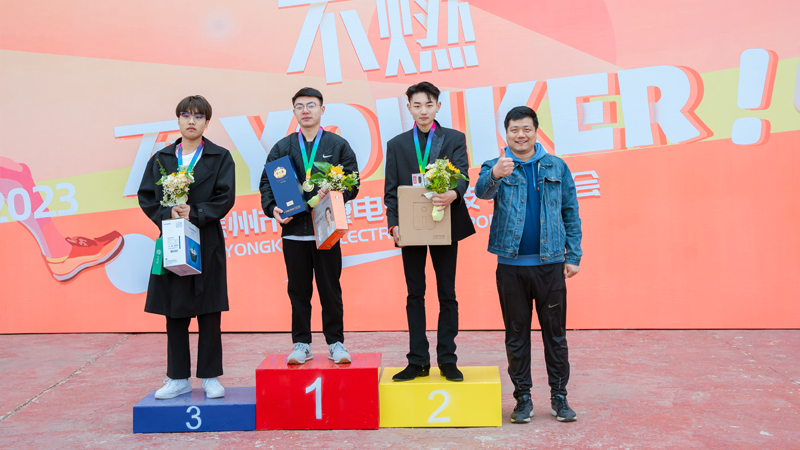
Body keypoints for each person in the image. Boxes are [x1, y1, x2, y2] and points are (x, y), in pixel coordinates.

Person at [475, 106, 582, 423]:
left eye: (526, 129)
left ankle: (559, 397)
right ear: (506, 133)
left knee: (555, 335)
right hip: (511, 266)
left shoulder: (556, 166)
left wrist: (573, 255)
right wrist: (496, 174)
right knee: (516, 335)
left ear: (536, 131)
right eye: (514, 130)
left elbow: (570, 212)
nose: (520, 135)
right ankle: (523, 399)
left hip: (551, 264)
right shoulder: (496, 165)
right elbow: (482, 192)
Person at [138, 95, 236, 400]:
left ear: (207, 122)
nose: (191, 121)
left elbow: (225, 197)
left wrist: (195, 211)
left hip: (206, 240)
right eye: (185, 115)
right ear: (178, 120)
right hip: (173, 238)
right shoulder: (162, 158)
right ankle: (177, 377)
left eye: (198, 116)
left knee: (210, 311)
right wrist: (168, 212)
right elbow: (146, 196)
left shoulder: (220, 157)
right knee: (175, 311)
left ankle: (210, 377)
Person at [383, 81, 475, 382]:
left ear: (438, 106)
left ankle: (447, 359)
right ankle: (418, 361)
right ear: (409, 108)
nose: (423, 110)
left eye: (428, 104)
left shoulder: (453, 138)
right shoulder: (397, 145)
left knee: (447, 292)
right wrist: (394, 224)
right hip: (410, 226)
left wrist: (454, 192)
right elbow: (391, 190)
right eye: (417, 105)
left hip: (444, 223)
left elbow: (462, 176)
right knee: (415, 293)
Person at [260, 87, 359, 365]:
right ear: (294, 111)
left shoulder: (338, 145)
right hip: (294, 232)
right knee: (298, 291)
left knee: (330, 289)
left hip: (327, 231)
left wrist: (335, 195)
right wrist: (272, 208)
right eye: (300, 106)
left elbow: (353, 182)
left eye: (311, 105)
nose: (306, 111)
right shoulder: (282, 147)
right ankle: (301, 344)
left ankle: (335, 342)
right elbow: (266, 183)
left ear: (322, 110)